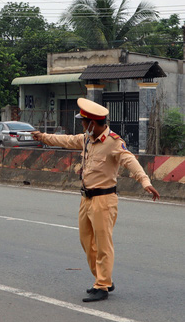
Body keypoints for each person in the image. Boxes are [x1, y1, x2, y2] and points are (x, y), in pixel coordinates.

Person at [31, 98, 160, 303]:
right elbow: (65, 140)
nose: (82, 125)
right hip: (86, 198)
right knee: (86, 241)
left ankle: (102, 284)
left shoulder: (114, 142)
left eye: (84, 122)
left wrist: (145, 182)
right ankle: (104, 279)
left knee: (103, 244)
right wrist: (43, 137)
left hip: (104, 200)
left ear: (92, 123)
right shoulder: (86, 139)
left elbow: (130, 161)